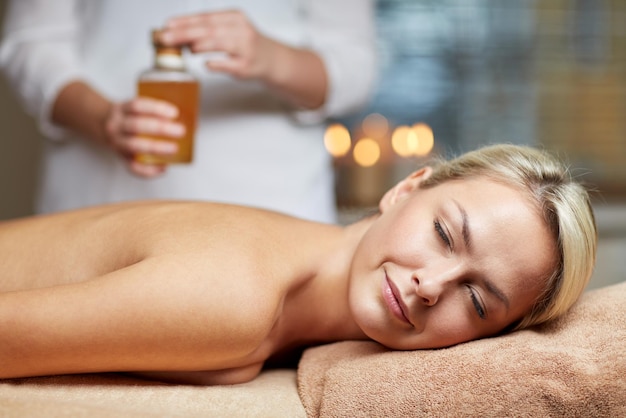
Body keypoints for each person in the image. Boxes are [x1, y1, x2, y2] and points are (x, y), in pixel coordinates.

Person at [0, 144, 597, 385]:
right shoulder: (235, 296)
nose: (430, 286)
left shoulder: (287, 259)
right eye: (444, 233)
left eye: (476, 300)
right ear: (407, 188)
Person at [0, 1, 376, 223]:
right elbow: (30, 42)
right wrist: (102, 118)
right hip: (97, 203)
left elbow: (355, 69)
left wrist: (273, 58)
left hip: (271, 210)